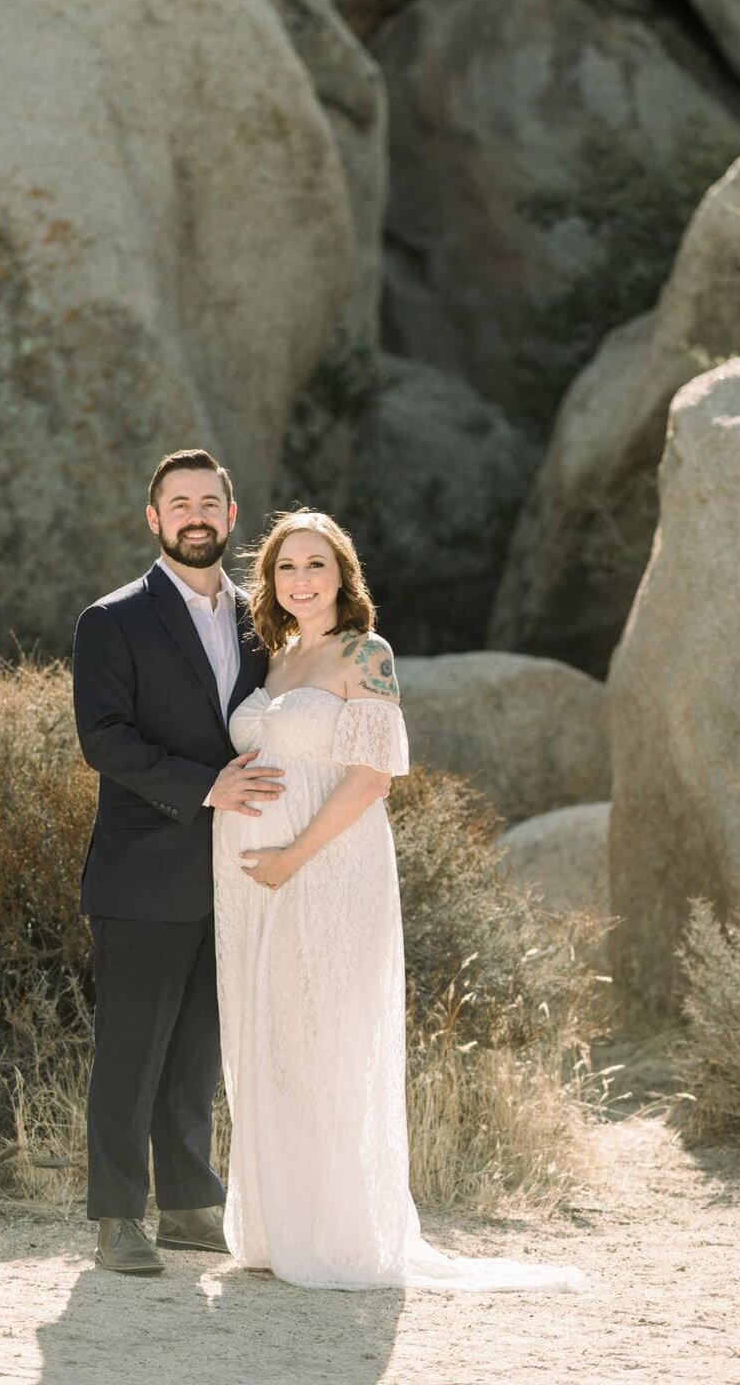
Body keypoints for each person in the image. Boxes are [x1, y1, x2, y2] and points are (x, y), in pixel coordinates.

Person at [214, 508, 589, 1292]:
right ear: (271, 583)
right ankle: (281, 1229)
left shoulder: (366, 654)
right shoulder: (276, 662)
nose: (301, 581)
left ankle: (339, 1237)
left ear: (344, 577)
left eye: (317, 566)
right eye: (287, 568)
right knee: (272, 1041)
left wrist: (291, 857)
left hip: (329, 870)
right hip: (254, 884)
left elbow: (370, 777)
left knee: (329, 1042)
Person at [72, 448, 285, 1274]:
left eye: (210, 502)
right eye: (179, 503)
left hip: (238, 870)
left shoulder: (262, 621)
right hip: (144, 869)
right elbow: (105, 739)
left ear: (231, 519)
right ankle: (117, 1217)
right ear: (154, 520)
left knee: (198, 1047)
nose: (196, 515)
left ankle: (192, 1203)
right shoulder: (112, 620)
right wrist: (209, 789)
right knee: (131, 1050)